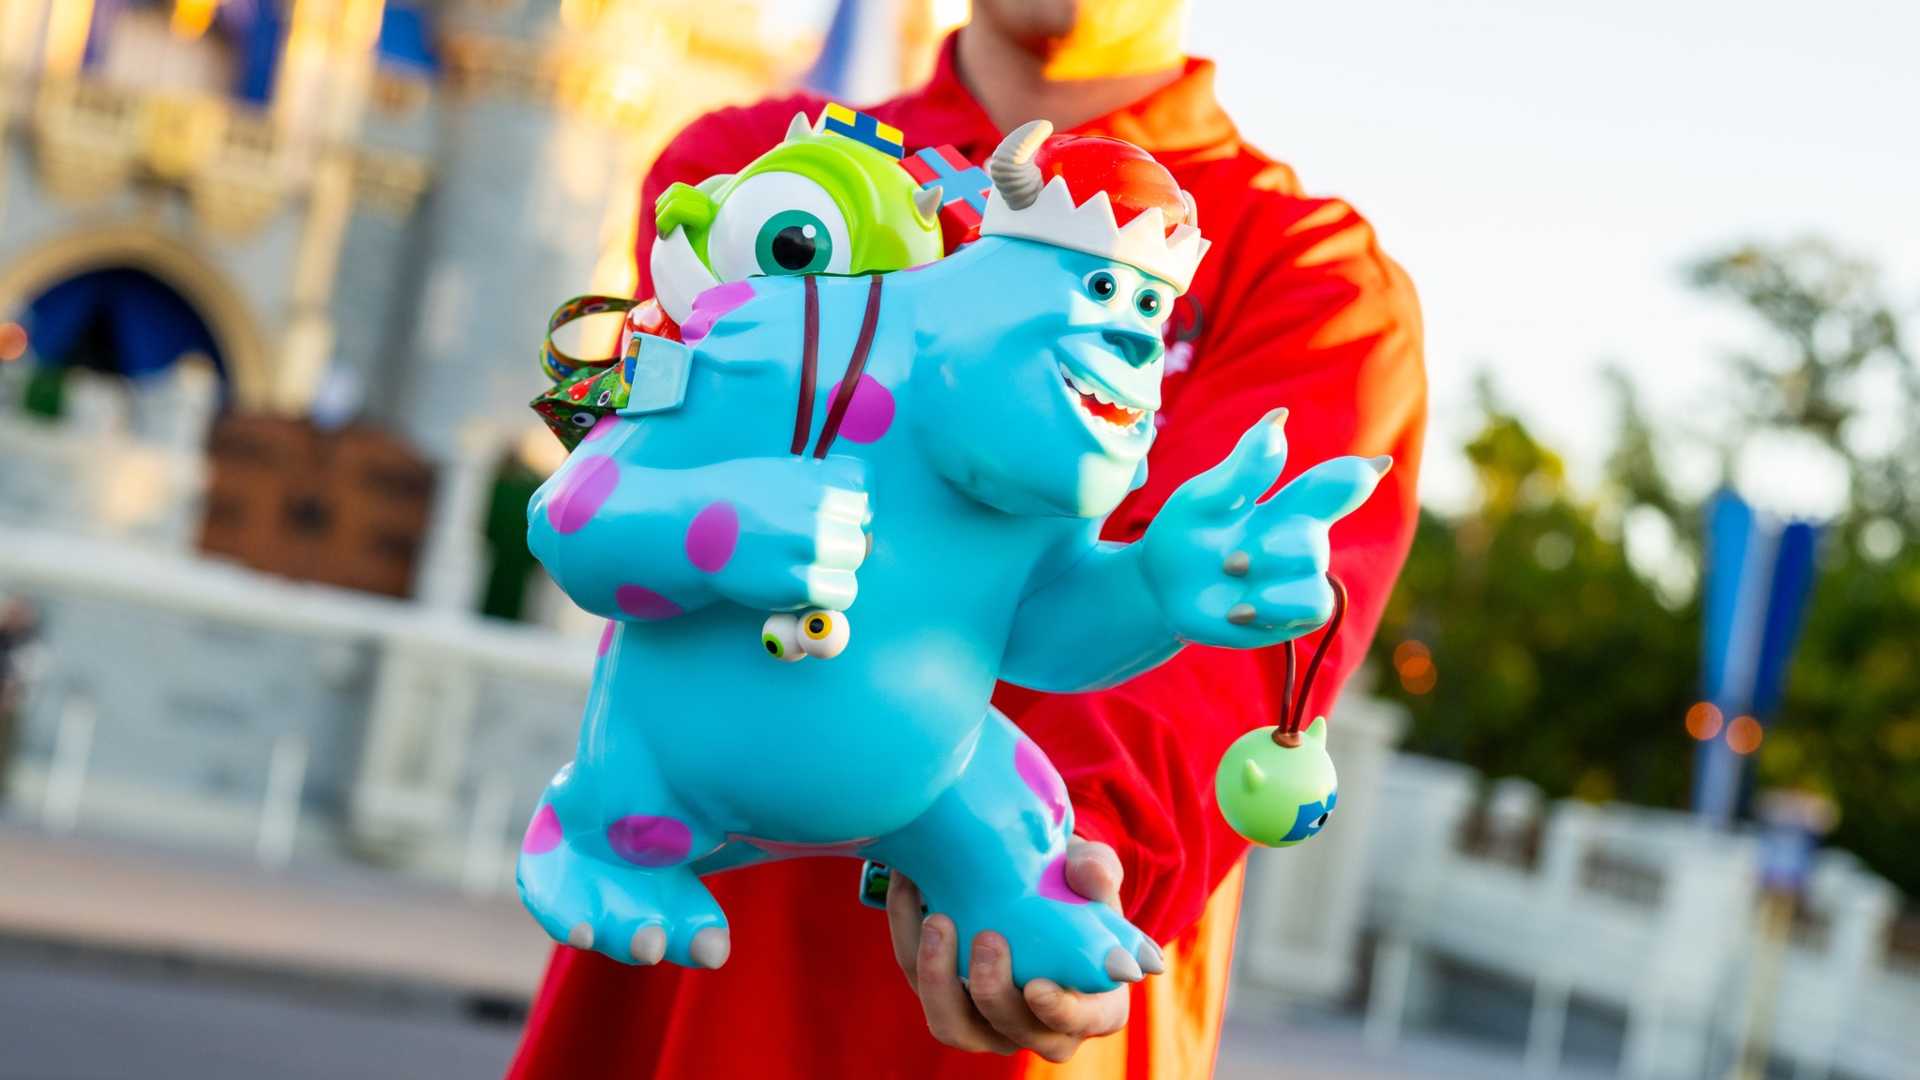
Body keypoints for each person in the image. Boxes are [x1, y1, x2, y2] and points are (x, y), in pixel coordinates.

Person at [507, 1, 1425, 1076]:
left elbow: (1203, 685)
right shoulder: (761, 175)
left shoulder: (1317, 283)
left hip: (1025, 1011)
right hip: (691, 981)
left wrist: (1043, 875)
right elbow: (635, 477)